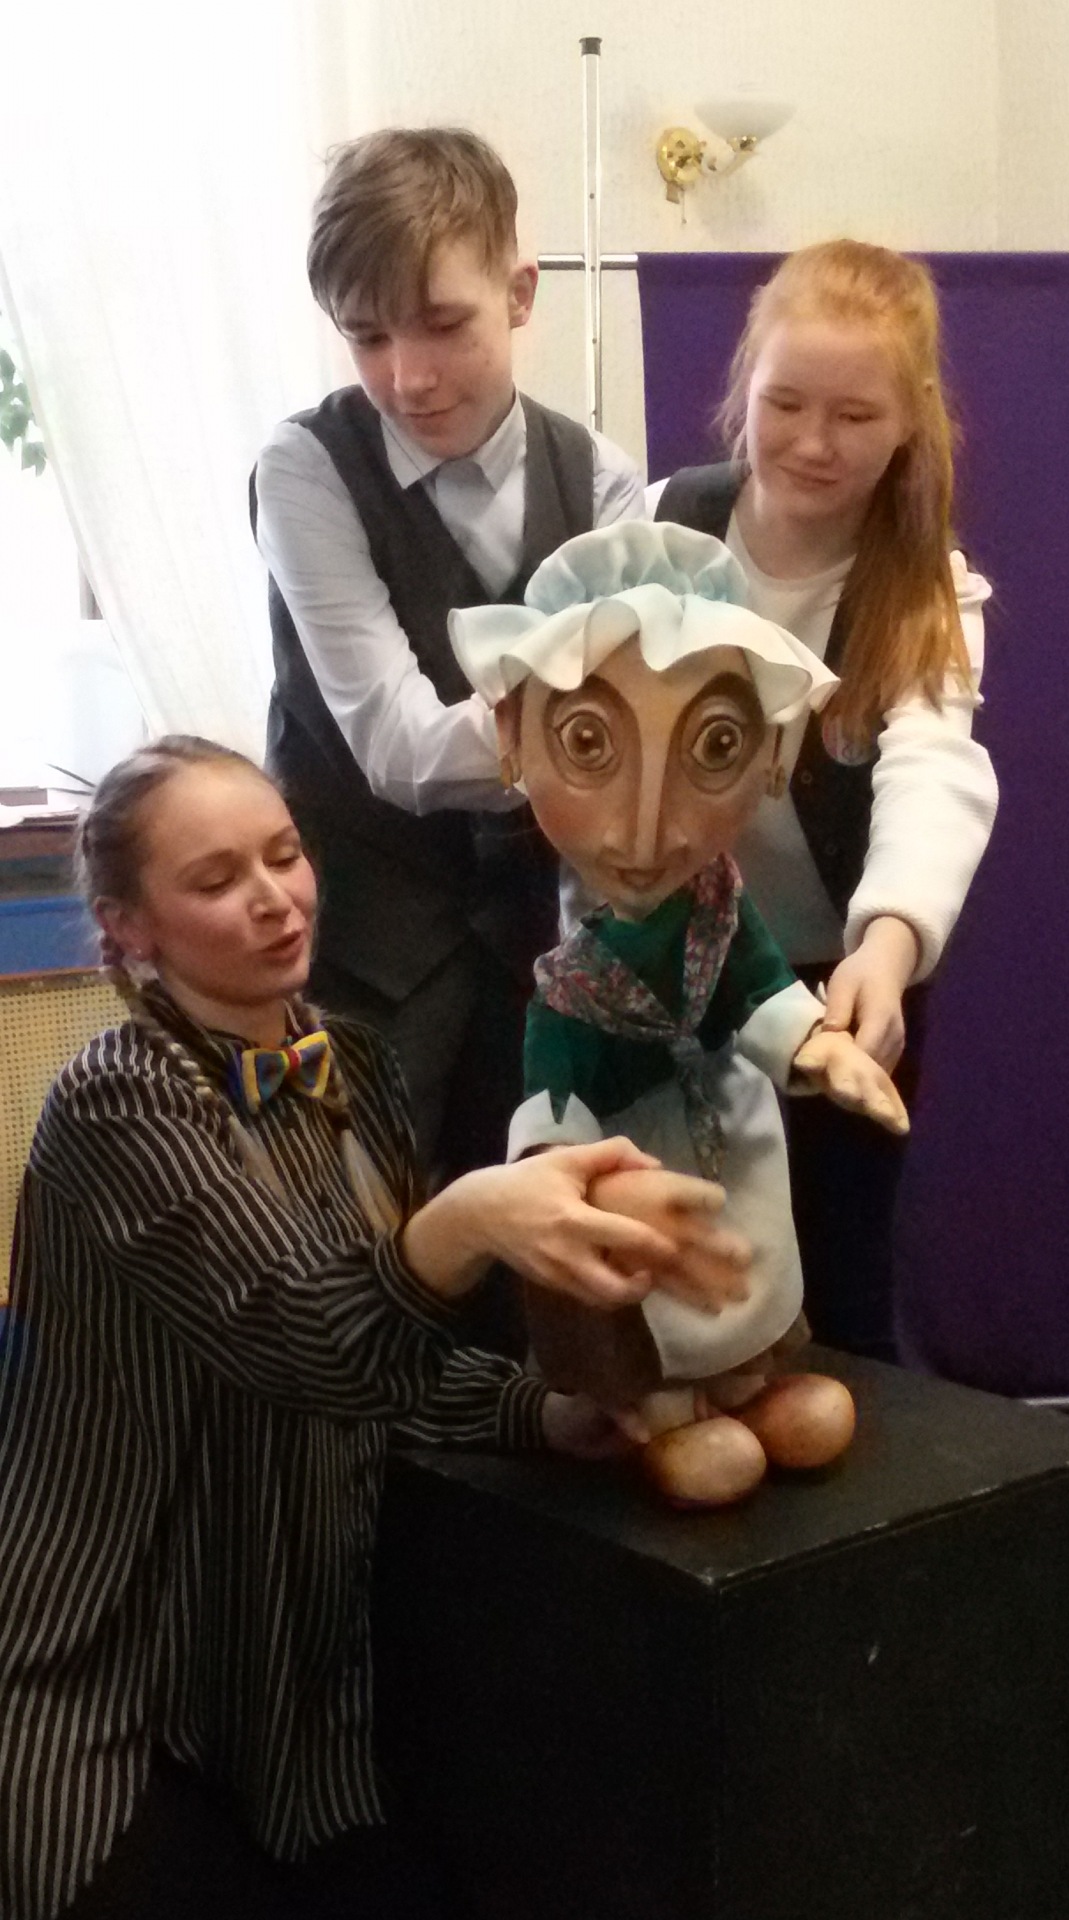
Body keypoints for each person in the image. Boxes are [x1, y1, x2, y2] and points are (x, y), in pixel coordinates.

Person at [0, 736, 746, 1920]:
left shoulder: (351, 1063)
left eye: (284, 854)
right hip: (113, 1686)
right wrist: (469, 1217)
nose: (274, 898)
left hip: (294, 1701)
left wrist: (545, 1413)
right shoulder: (116, 1101)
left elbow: (391, 1363)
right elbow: (305, 1338)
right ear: (128, 927)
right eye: (216, 880)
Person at [449, 520, 908, 1505]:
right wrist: (562, 1181)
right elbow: (553, 1114)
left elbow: (761, 991)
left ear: (772, 752)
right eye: (588, 744)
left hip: (732, 1142)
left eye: (714, 746)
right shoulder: (570, 990)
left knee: (747, 1271)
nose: (647, 823)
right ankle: (660, 1408)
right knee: (662, 1294)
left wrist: (819, 1046)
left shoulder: (721, 910)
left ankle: (746, 1377)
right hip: (641, 1174)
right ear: (513, 741)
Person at [252, 127, 643, 1182]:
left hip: (545, 965)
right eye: (367, 336)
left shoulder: (604, 481)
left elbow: (627, 742)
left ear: (519, 294)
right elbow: (400, 749)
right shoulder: (306, 471)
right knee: (358, 1244)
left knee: (540, 1243)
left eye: (442, 324)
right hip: (358, 966)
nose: (408, 376)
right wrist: (583, 733)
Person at [647, 240, 999, 1359]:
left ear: (911, 421)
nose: (811, 441)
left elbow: (932, 770)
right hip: (664, 971)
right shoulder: (658, 529)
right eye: (785, 403)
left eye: (854, 415)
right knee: (671, 1269)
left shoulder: (924, 589)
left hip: (839, 981)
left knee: (838, 1272)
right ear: (743, 388)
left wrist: (888, 948)